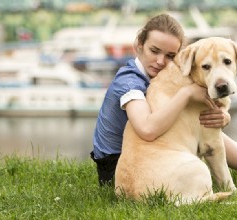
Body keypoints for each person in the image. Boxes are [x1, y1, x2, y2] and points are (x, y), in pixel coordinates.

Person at [91, 13, 237, 186]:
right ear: (139, 45)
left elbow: (201, 129)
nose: (160, 61)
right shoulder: (129, 82)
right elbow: (147, 129)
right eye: (154, 51)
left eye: (170, 56)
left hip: (150, 158)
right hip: (119, 168)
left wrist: (222, 116)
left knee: (205, 126)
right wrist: (187, 93)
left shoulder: (164, 80)